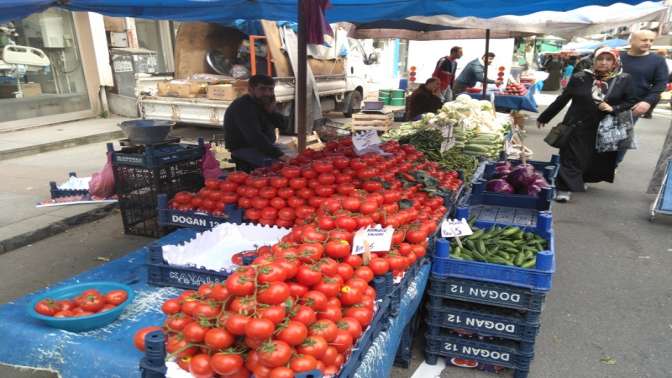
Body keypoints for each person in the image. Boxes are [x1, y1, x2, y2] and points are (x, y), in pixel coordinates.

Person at [537, 48, 638, 203]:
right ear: (594, 61)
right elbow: (563, 99)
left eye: (608, 59)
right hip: (577, 124)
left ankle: (583, 178)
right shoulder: (581, 77)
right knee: (571, 156)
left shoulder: (624, 79)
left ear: (615, 62)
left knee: (594, 158)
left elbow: (631, 100)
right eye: (600, 59)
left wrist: (614, 108)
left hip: (605, 127)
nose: (603, 62)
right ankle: (564, 188)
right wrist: (545, 116)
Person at [618, 30, 669, 165]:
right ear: (631, 40)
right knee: (596, 135)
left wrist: (647, 102)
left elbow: (660, 84)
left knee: (621, 138)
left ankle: (613, 165)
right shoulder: (618, 56)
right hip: (609, 102)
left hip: (633, 106)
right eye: (644, 40)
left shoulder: (657, 60)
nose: (648, 43)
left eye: (651, 40)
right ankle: (591, 169)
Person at [223, 74, 291, 172]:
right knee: (281, 167)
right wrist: (280, 155)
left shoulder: (264, 103)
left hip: (264, 146)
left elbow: (284, 125)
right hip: (244, 149)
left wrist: (271, 112)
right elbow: (255, 137)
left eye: (271, 90)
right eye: (262, 89)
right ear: (251, 89)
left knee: (296, 158)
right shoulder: (242, 107)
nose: (267, 93)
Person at [641, 49, 672, 118]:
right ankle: (648, 112)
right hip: (661, 81)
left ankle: (647, 111)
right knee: (655, 96)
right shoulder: (668, 61)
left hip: (656, 81)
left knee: (653, 95)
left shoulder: (656, 61)